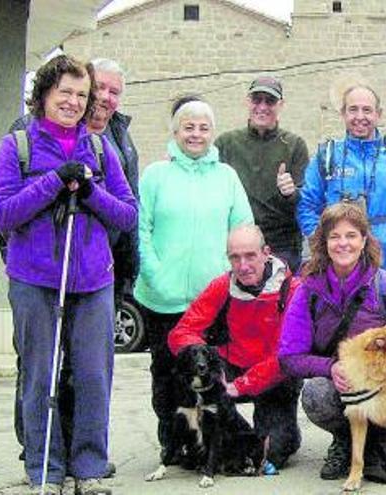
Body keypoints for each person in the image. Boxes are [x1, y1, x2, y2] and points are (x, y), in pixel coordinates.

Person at [0, 54, 137, 495]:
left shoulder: (98, 146)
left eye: (80, 94)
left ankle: (88, 468)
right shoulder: (17, 145)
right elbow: (3, 212)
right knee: (40, 376)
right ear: (44, 96)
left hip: (93, 280)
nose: (73, 102)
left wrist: (90, 190)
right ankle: (45, 470)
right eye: (64, 93)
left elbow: (127, 214)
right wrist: (53, 181)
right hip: (34, 279)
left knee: (93, 376)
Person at [279, 202, 386, 483]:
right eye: (335, 236)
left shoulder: (385, 284)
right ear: (324, 243)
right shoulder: (309, 289)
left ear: (364, 240)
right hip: (344, 389)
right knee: (316, 394)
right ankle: (346, 441)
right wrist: (330, 367)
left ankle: (379, 439)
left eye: (351, 235)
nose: (343, 243)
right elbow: (289, 355)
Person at [134, 99, 254, 466]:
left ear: (212, 132)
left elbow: (242, 229)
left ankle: (211, 444)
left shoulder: (227, 177)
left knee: (211, 375)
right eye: (188, 127)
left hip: (213, 299)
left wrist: (227, 274)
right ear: (175, 131)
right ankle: (174, 442)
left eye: (203, 127)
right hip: (161, 298)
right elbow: (141, 228)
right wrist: (155, 273)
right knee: (167, 375)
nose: (196, 134)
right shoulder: (155, 175)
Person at [167, 224, 303, 472]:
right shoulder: (221, 286)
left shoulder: (292, 289)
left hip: (274, 375)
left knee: (271, 452)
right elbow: (181, 332)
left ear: (266, 252)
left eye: (250, 255)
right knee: (178, 375)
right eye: (235, 257)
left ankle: (255, 435)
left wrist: (242, 385)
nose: (242, 265)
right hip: (230, 368)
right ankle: (211, 436)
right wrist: (202, 358)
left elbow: (288, 354)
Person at [297, 83, 386, 278]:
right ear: (343, 114)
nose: (360, 117)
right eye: (353, 109)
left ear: (378, 114)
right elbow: (307, 207)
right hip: (337, 267)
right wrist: (323, 241)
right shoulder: (326, 156)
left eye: (367, 110)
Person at [215, 76, 309, 271]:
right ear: (247, 102)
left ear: (281, 104)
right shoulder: (226, 143)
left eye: (270, 101)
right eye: (257, 99)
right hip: (237, 244)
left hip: (281, 246)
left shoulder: (294, 145)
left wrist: (290, 192)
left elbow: (306, 200)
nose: (263, 106)